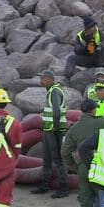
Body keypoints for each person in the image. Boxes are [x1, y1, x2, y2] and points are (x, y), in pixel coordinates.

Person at [61, 99, 104, 207]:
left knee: (86, 204)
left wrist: (75, 167)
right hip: (102, 170)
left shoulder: (74, 129)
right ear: (94, 110)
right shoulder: (103, 123)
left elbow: (65, 152)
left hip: (84, 170)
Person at [33, 70, 69, 198]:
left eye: (42, 78)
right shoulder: (51, 91)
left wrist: (55, 127)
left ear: (49, 79)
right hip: (49, 129)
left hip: (54, 130)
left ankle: (63, 187)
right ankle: (44, 184)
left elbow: (56, 111)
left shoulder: (55, 91)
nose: (41, 81)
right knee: (47, 157)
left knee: (58, 158)